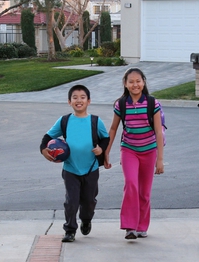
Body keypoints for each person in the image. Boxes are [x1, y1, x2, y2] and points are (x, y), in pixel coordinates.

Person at [40, 85, 110, 243]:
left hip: (91, 169)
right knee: (71, 201)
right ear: (69, 102)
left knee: (89, 201)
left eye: (83, 97)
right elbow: (47, 137)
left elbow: (106, 139)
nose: (79, 100)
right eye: (75, 97)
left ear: (89, 101)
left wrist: (101, 149)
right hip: (71, 168)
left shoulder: (95, 121)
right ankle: (70, 230)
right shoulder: (64, 121)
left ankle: (86, 219)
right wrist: (43, 150)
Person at [104, 68, 165, 240]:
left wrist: (160, 159)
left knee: (144, 192)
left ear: (143, 82)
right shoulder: (121, 104)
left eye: (138, 81)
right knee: (131, 184)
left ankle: (141, 226)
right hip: (129, 149)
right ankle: (130, 227)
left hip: (149, 150)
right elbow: (114, 129)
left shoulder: (153, 103)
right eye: (131, 81)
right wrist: (106, 152)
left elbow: (159, 132)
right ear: (125, 84)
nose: (135, 84)